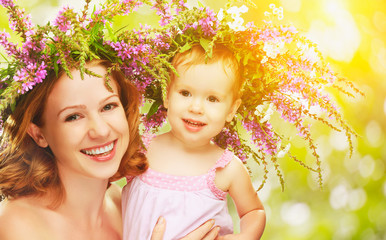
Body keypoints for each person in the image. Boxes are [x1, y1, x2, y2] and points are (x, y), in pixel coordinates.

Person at [122, 44, 266, 239]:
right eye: (185, 93)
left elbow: (253, 211)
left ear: (232, 109)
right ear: (166, 94)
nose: (196, 107)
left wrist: (247, 235)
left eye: (213, 99)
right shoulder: (139, 150)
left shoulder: (227, 169)